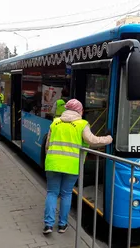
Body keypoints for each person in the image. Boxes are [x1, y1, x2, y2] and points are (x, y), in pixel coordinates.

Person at [42, 99, 113, 234]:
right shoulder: (82, 124)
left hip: (52, 163)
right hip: (72, 165)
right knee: (66, 194)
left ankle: (48, 225)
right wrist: (109, 138)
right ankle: (62, 225)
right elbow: (93, 141)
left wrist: (50, 159)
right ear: (79, 110)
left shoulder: (55, 122)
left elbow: (47, 144)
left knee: (52, 193)